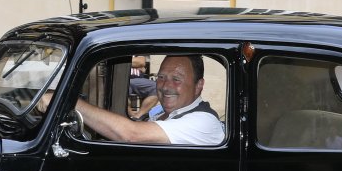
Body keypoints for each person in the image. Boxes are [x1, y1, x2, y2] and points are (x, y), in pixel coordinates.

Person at [45, 54, 224, 146]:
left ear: (198, 86)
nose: (165, 86)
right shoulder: (161, 114)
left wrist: (68, 102)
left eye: (176, 79)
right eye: (161, 77)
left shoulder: (203, 122)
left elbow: (132, 135)